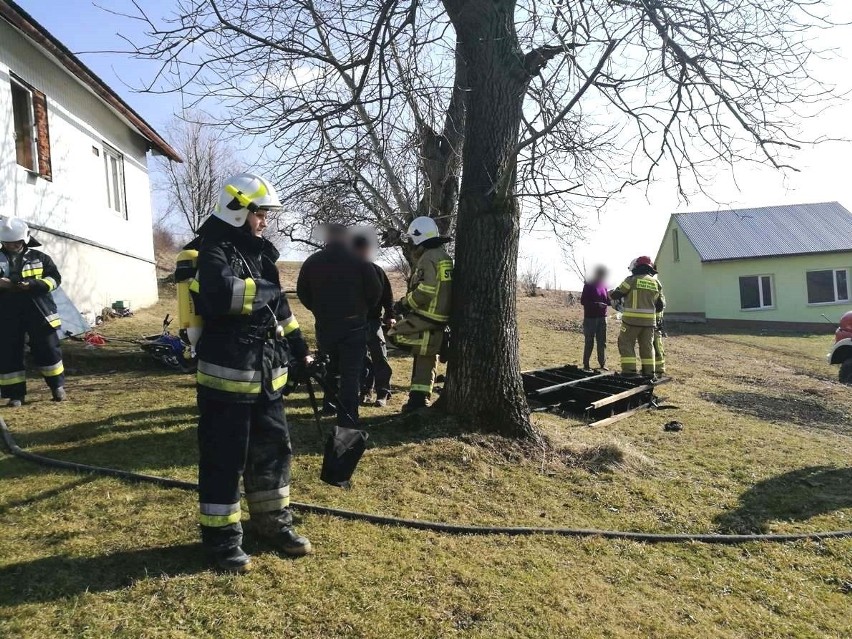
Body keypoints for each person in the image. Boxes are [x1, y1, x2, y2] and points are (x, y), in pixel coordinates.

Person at [190, 173, 313, 573]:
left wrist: (298, 348)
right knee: (225, 458)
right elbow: (222, 295)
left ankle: (273, 523)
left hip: (266, 373)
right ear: (238, 209)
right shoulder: (209, 250)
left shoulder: (260, 254)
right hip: (227, 373)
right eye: (260, 213)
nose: (264, 221)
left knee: (274, 451)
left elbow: (281, 311)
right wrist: (267, 291)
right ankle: (222, 541)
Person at [297, 224, 382, 427]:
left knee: (329, 367)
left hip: (326, 325)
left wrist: (318, 310)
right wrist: (362, 310)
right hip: (354, 324)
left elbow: (303, 293)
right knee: (351, 374)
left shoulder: (312, 262)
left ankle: (329, 405)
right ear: (346, 238)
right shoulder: (360, 262)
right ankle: (348, 415)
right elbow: (375, 292)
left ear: (327, 238)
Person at [387, 217, 453, 412]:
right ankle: (419, 398)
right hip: (439, 315)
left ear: (418, 237)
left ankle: (439, 341)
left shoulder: (428, 257)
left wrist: (403, 305)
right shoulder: (443, 256)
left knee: (394, 334)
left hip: (428, 314)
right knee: (425, 353)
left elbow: (426, 290)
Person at [0, 217, 66, 406]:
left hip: (39, 310)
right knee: (8, 352)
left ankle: (57, 387)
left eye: (15, 242)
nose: (11, 246)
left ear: (25, 239)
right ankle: (15, 395)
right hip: (6, 312)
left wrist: (34, 284)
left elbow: (55, 279)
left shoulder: (40, 258)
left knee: (48, 349)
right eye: (7, 243)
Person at [352, 232, 395, 407]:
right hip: (355, 322)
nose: (363, 253)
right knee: (361, 358)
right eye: (359, 250)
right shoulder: (347, 272)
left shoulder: (377, 271)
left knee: (380, 356)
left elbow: (388, 296)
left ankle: (383, 392)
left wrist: (390, 315)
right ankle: (365, 391)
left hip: (373, 321)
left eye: (365, 249)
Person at [610, 256, 665, 378]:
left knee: (626, 343)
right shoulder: (656, 283)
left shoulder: (631, 280)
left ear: (637, 267)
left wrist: (611, 293)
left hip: (631, 321)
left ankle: (629, 372)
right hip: (649, 324)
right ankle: (649, 372)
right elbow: (660, 306)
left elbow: (616, 294)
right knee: (647, 347)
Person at [579, 265, 609, 371]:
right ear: (597, 274)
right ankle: (586, 364)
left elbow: (607, 300)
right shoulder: (589, 285)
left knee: (602, 342)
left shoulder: (604, 286)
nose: (603, 276)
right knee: (589, 341)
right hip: (590, 318)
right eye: (601, 274)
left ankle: (602, 364)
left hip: (602, 318)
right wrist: (597, 304)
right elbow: (583, 301)